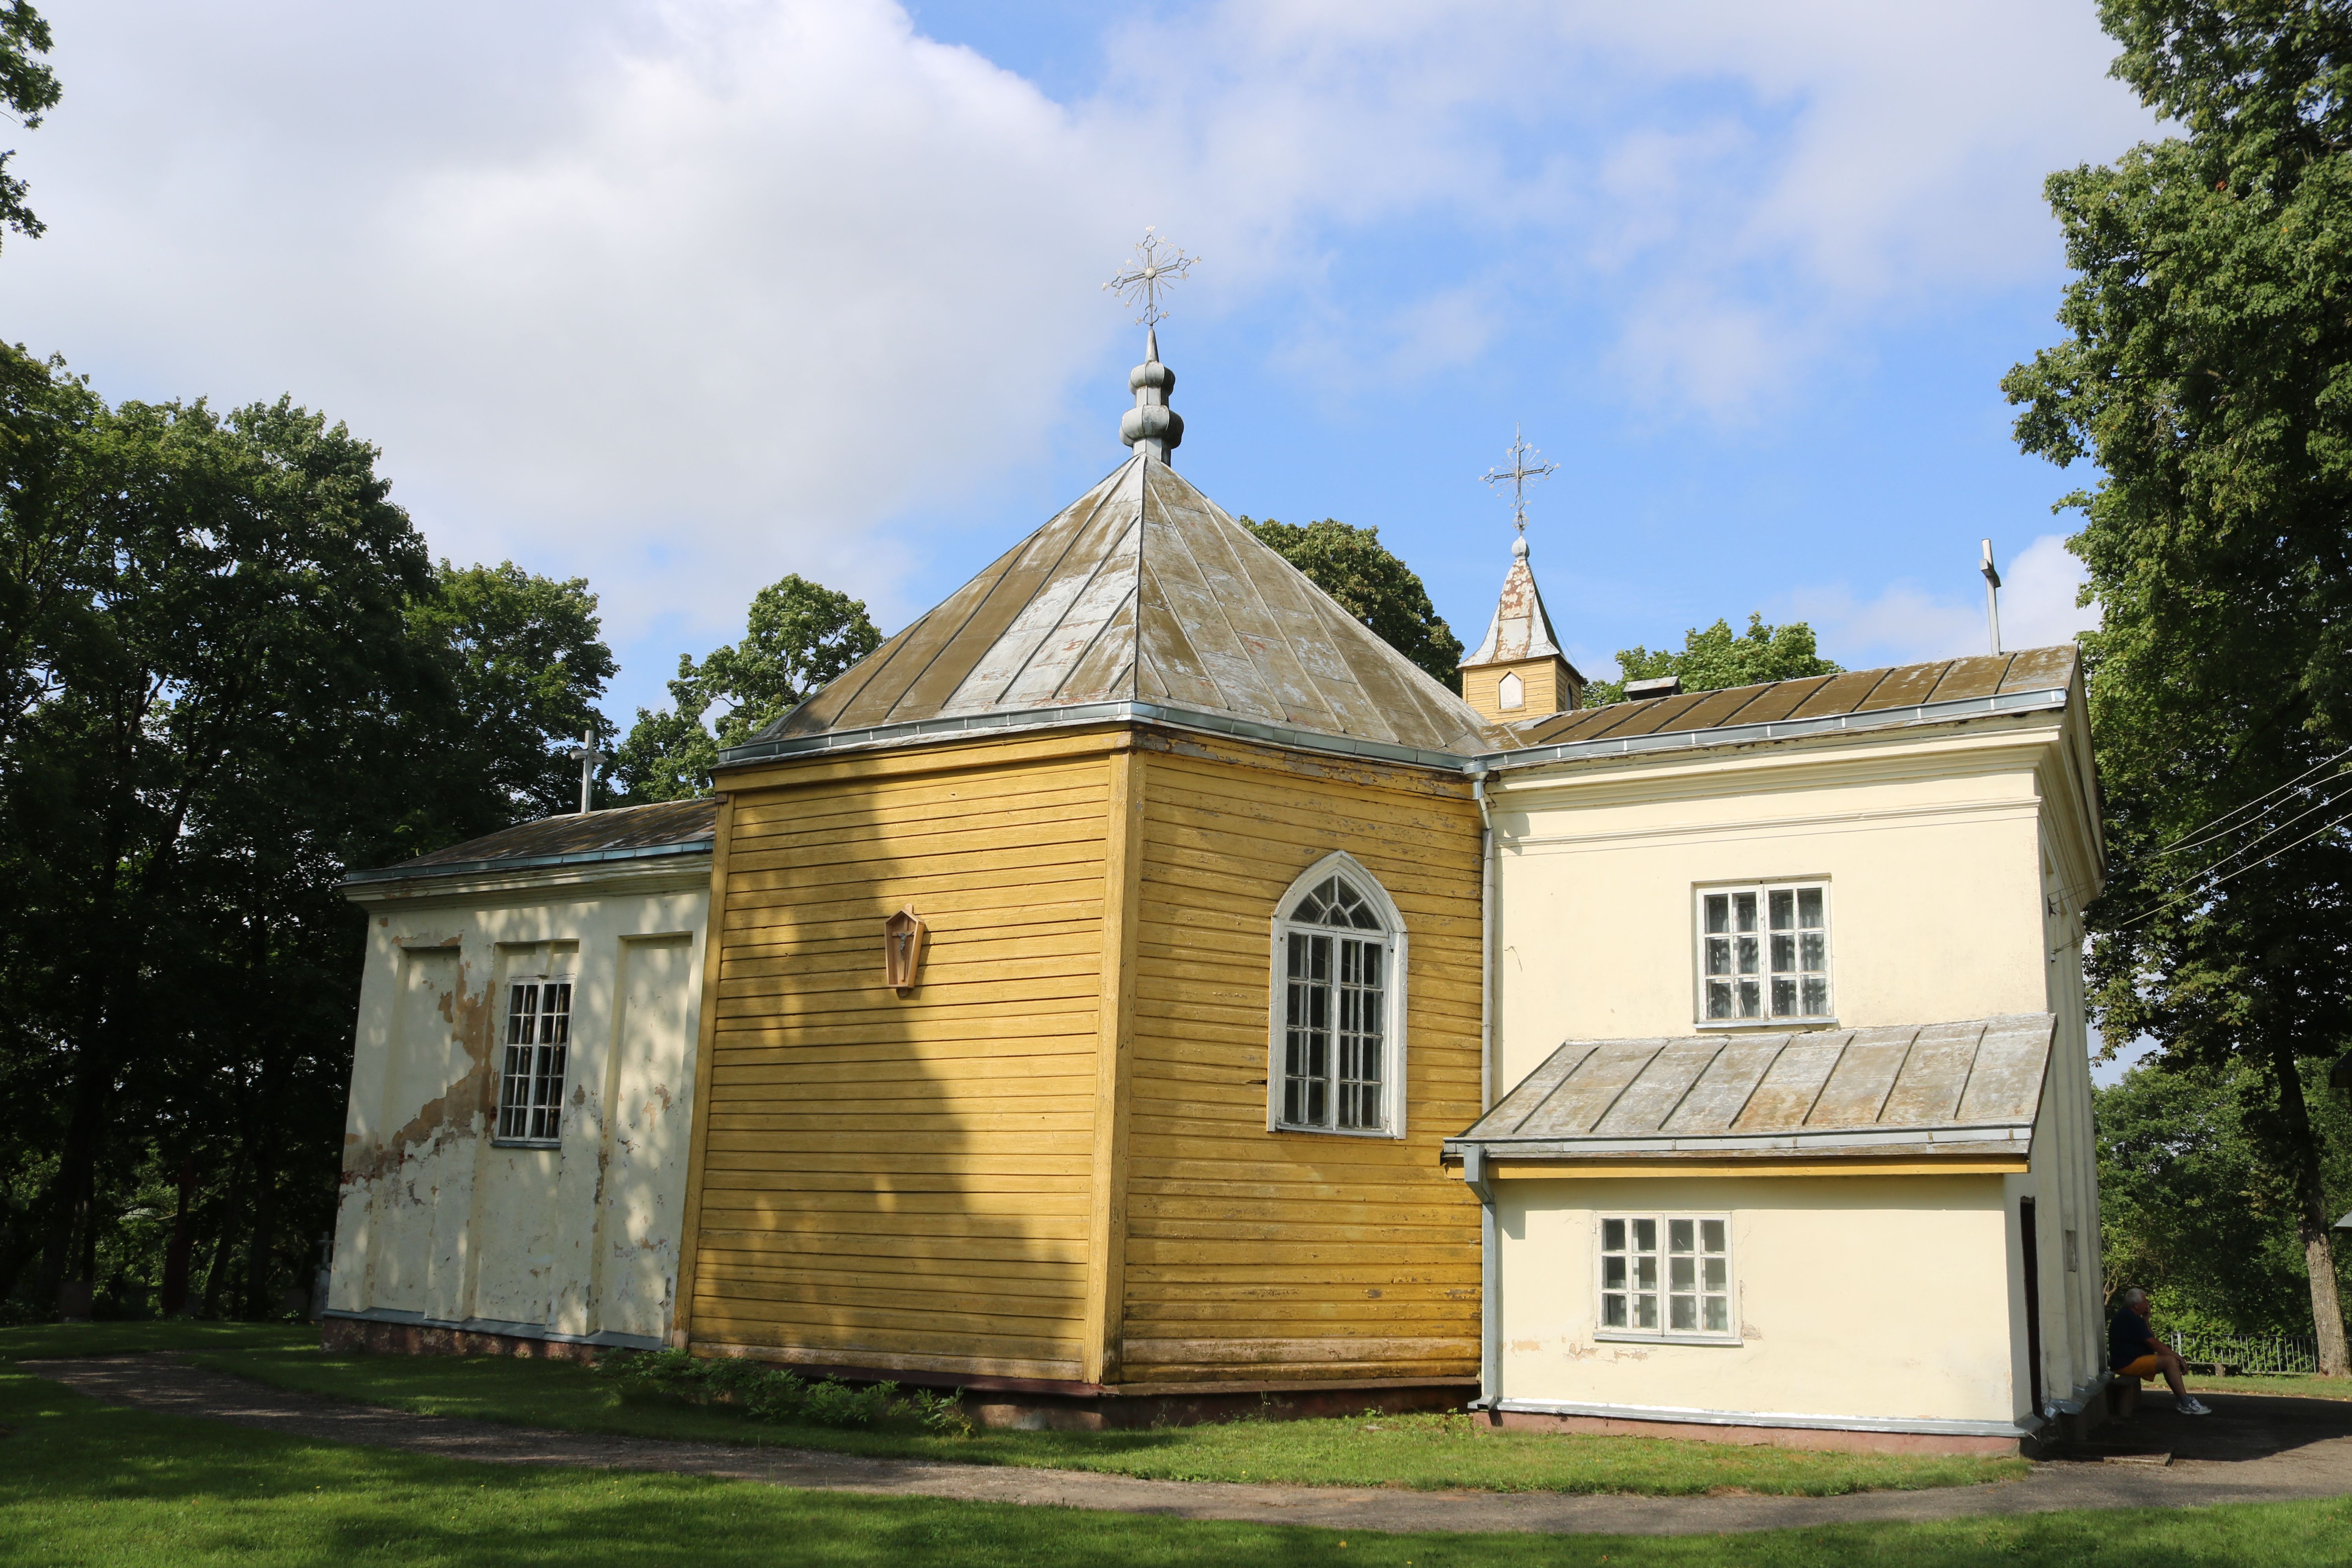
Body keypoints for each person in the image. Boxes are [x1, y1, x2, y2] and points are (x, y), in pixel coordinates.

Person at [2109, 1287, 2211, 1416]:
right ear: (2136, 1305)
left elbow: (2150, 1339)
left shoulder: (2131, 1317)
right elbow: (2154, 1344)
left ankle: (2184, 1401)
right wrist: (2180, 1358)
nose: (2148, 1304)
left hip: (2130, 1361)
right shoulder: (2130, 1318)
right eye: (2145, 1301)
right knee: (2170, 1361)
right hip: (2127, 1364)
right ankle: (2186, 1403)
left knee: (2169, 1360)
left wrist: (2146, 1321)